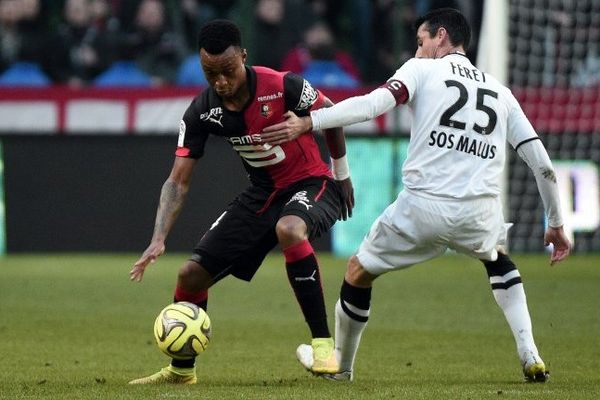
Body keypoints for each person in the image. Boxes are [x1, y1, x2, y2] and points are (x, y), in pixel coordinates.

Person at [261, 7, 571, 383]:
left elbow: (374, 104)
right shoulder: (500, 92)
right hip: (479, 211)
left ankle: (341, 367)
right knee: (498, 259)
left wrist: (313, 121)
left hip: (422, 206)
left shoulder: (421, 69)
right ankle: (530, 354)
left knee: (358, 272)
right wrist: (555, 223)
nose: (418, 49)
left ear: (441, 36)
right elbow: (541, 162)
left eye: (421, 41)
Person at [128, 19, 354, 384]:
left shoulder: (283, 85)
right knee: (190, 275)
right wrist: (158, 237)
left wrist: (341, 173)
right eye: (210, 73)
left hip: (313, 183)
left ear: (243, 58)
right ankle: (181, 371)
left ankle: (324, 346)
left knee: (290, 229)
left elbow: (333, 115)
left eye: (228, 71)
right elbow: (177, 181)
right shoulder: (202, 111)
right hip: (263, 195)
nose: (220, 82)